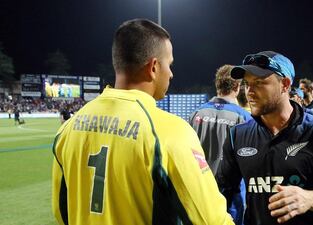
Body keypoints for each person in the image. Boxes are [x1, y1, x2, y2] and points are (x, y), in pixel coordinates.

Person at [52, 19, 234, 225]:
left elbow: (61, 210)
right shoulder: (171, 132)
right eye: (170, 64)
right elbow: (211, 219)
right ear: (153, 67)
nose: (171, 73)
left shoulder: (68, 128)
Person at [217, 50, 313, 225]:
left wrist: (309, 198)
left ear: (285, 84)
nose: (249, 92)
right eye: (246, 83)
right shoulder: (237, 135)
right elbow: (221, 193)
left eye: (259, 83)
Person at [189, 64, 252, 225]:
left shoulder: (196, 114)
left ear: (217, 84)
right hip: (231, 199)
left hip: (199, 193)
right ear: (237, 87)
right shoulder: (244, 117)